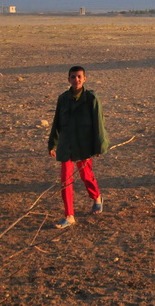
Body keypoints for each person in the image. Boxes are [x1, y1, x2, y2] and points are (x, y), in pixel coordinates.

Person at [47, 66, 109, 228]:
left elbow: (99, 124)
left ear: (85, 78)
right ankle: (69, 215)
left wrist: (99, 146)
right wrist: (52, 143)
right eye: (73, 77)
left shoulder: (91, 98)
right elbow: (57, 122)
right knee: (65, 180)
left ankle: (96, 197)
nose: (77, 80)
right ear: (68, 79)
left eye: (79, 77)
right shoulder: (62, 99)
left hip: (84, 145)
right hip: (66, 145)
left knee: (86, 175)